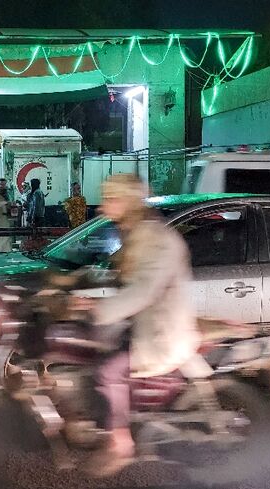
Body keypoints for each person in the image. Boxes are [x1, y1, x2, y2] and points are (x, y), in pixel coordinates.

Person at [76, 174, 200, 478]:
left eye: (110, 199)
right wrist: (74, 283)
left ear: (127, 201)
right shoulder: (134, 232)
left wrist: (100, 311)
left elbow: (144, 290)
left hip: (160, 333)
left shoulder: (154, 237)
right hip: (141, 323)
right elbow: (118, 273)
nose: (102, 208)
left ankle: (120, 442)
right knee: (88, 348)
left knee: (107, 371)